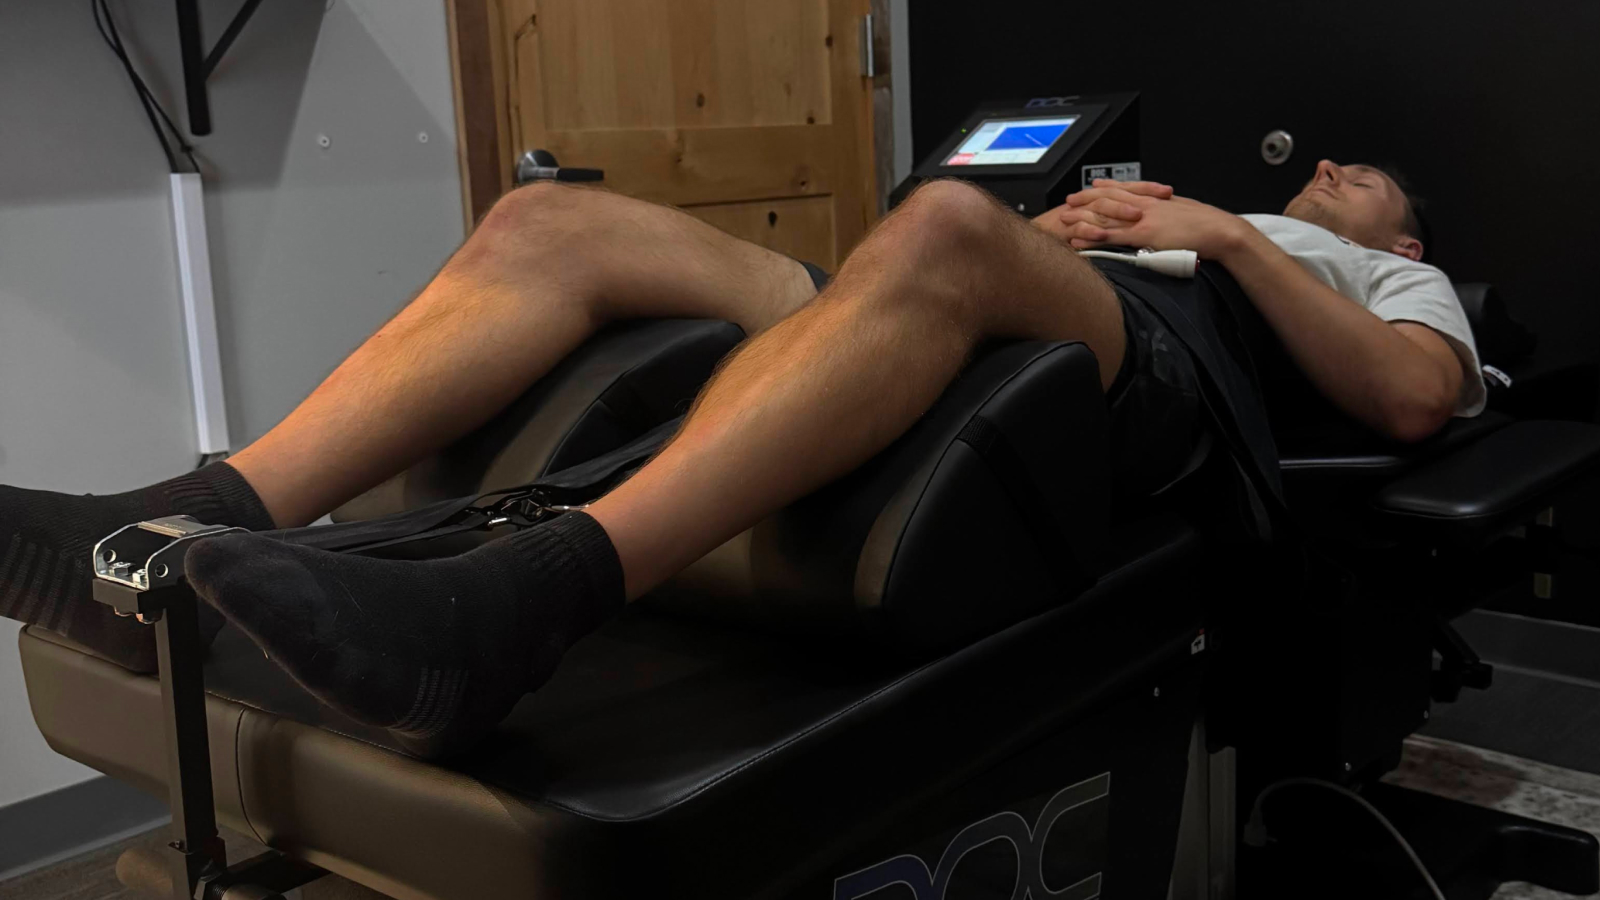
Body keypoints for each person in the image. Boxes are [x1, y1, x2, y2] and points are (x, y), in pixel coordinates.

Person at [0, 159, 1483, 756]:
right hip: (978, 305)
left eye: (1358, 180)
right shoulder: (1186, 202)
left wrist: (1221, 233)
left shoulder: (1381, 276)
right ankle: (178, 524)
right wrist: (1085, 229)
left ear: (1401, 240)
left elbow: (1414, 401)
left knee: (952, 219)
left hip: (1148, 390)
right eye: (1304, 178)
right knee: (549, 226)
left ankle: (522, 604)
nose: (1324, 176)